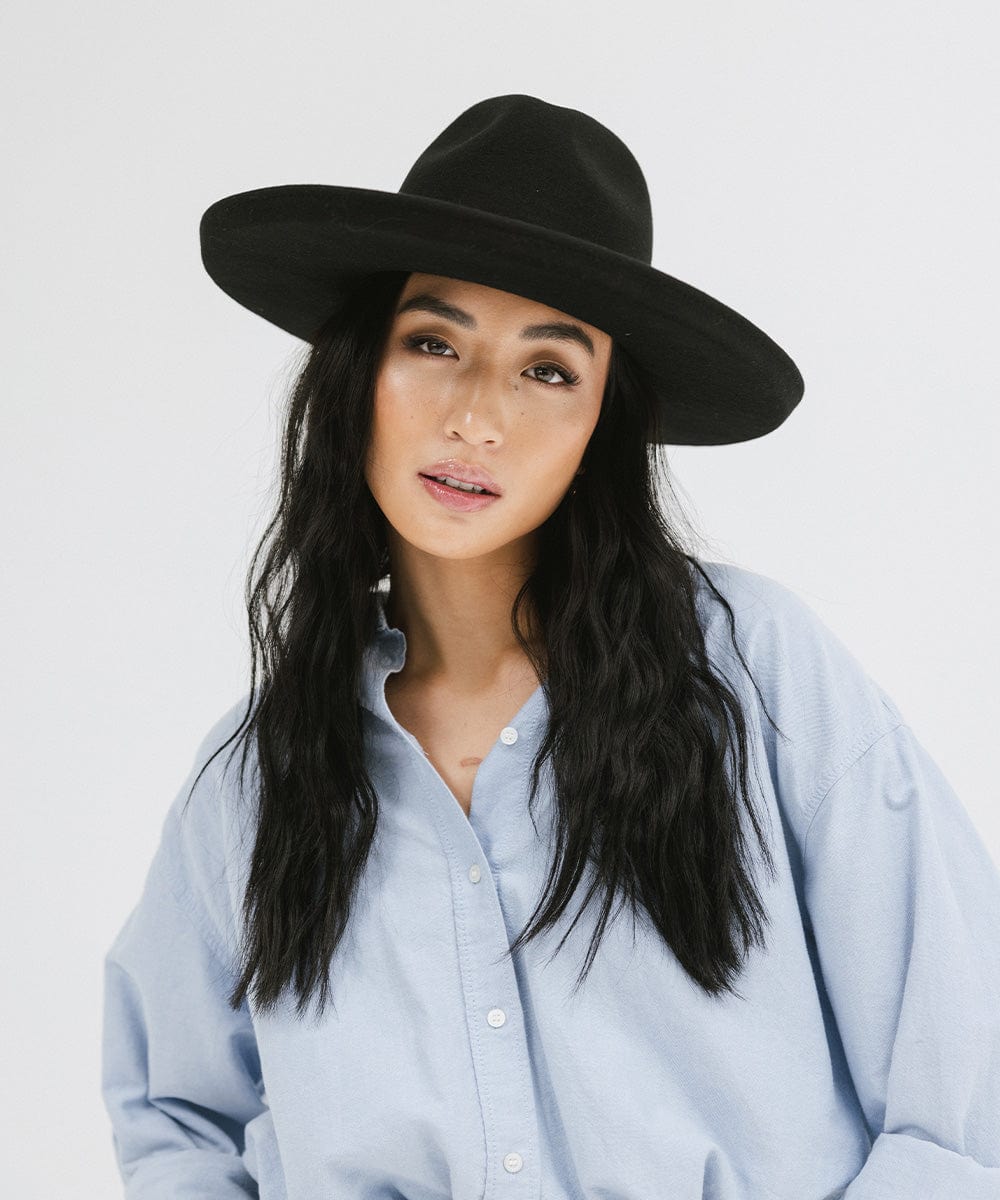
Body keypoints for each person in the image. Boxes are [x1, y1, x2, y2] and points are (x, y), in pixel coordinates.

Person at [101, 94, 1000, 1199]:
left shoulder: (755, 674)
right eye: (434, 342)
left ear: (600, 424)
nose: (477, 417)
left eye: (547, 369)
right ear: (358, 375)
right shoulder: (255, 779)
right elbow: (178, 1117)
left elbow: (963, 1089)